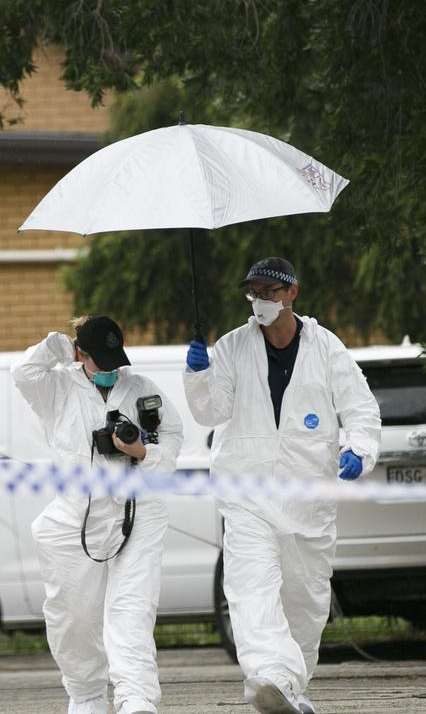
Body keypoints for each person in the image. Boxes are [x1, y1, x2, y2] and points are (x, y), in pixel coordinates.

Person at [184, 257, 381, 714]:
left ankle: (290, 688)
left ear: (292, 293)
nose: (261, 301)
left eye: (271, 292)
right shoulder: (232, 347)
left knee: (305, 605)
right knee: (251, 588)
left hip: (309, 501)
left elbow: (360, 409)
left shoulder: (326, 347)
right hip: (246, 495)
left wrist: (359, 449)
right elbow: (211, 413)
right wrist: (198, 376)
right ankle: (270, 674)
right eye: (254, 292)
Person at [12, 315, 183, 714]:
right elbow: (22, 373)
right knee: (73, 614)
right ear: (80, 353)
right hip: (76, 513)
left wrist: (143, 453)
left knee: (132, 607)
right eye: (99, 359)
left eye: (114, 360)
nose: (110, 369)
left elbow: (172, 441)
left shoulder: (142, 390)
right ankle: (87, 694)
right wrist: (56, 347)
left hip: (137, 509)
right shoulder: (55, 388)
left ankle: (136, 698)